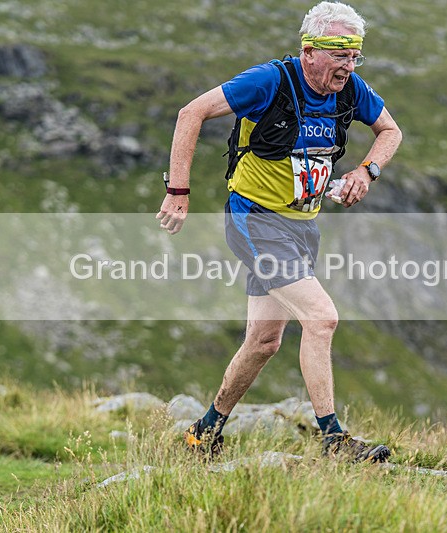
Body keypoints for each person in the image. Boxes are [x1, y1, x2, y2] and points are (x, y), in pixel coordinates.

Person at [156, 1, 402, 462]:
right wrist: (178, 190)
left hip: (302, 228)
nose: (348, 65)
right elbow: (191, 113)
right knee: (321, 317)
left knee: (265, 341)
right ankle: (334, 441)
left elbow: (390, 131)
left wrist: (367, 172)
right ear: (309, 50)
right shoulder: (269, 81)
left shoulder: (351, 90)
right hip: (255, 221)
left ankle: (204, 432)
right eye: (339, 54)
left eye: (355, 55)